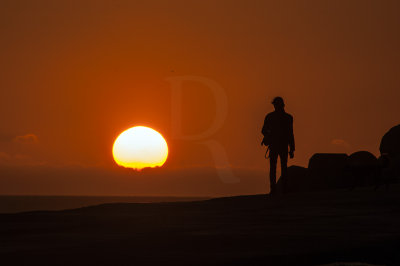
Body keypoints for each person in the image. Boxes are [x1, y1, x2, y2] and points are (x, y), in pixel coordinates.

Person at [261, 97, 295, 195]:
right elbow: (290, 134)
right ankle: (280, 189)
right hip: (280, 145)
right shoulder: (288, 117)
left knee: (275, 167)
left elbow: (263, 130)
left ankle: (275, 189)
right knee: (280, 167)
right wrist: (292, 148)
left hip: (277, 145)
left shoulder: (271, 117)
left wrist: (269, 135)